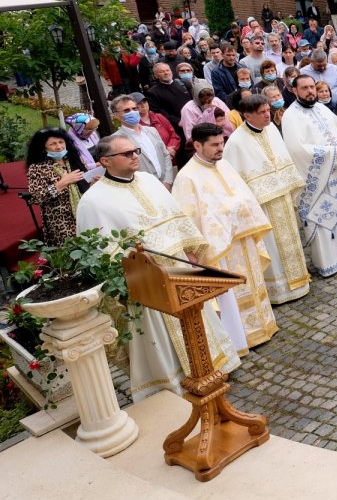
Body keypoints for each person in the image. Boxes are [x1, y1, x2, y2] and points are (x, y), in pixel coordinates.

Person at [76, 134, 240, 402]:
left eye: (135, 151)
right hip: (146, 282)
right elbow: (101, 254)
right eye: (126, 153)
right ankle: (172, 385)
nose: (134, 156)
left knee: (199, 319)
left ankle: (211, 368)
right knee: (159, 335)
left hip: (178, 265)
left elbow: (176, 218)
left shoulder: (150, 181)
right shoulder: (93, 202)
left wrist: (191, 252)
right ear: (105, 161)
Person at [173, 123, 279, 354]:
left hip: (244, 238)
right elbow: (187, 220)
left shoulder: (224, 165)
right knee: (231, 296)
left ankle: (263, 326)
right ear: (197, 145)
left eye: (221, 143)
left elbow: (243, 196)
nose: (220, 148)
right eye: (214, 145)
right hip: (221, 248)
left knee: (252, 283)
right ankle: (240, 340)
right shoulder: (186, 178)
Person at [223, 94, 311, 304]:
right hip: (262, 204)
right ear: (247, 115)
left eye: (267, 110)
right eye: (261, 113)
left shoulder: (271, 129)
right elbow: (235, 181)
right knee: (271, 245)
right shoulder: (235, 143)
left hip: (282, 196)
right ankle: (279, 290)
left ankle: (299, 280)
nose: (267, 116)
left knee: (291, 238)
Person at [281, 75, 337, 277]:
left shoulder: (321, 108)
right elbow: (297, 149)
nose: (310, 91)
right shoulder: (290, 116)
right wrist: (332, 151)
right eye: (305, 88)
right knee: (324, 217)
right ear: (295, 90)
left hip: (336, 170)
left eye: (312, 87)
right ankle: (330, 260)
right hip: (319, 178)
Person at [25, 128, 90, 246]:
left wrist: (92, 181)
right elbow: (36, 197)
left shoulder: (74, 159)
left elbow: (84, 183)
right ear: (43, 147)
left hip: (85, 213)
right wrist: (62, 183)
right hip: (61, 221)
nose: (59, 147)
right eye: (53, 144)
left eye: (61, 142)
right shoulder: (37, 168)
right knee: (72, 254)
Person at [112, 94, 175, 187]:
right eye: (126, 110)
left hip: (166, 184)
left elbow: (165, 154)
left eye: (134, 108)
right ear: (117, 115)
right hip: (144, 189)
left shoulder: (152, 130)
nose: (132, 112)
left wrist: (168, 181)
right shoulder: (116, 140)